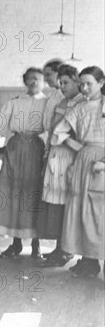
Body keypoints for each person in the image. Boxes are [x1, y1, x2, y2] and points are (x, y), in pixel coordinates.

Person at [51, 66, 105, 277]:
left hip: (102, 163)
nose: (83, 88)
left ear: (101, 83)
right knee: (83, 212)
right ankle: (89, 261)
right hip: (84, 161)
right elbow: (58, 134)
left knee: (99, 213)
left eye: (89, 83)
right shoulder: (80, 107)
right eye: (81, 83)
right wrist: (80, 149)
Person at [0, 68, 47, 259]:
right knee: (13, 193)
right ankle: (15, 243)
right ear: (25, 81)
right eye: (31, 79)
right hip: (16, 148)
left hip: (36, 147)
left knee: (34, 193)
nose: (34, 82)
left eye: (38, 79)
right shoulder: (15, 101)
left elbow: (51, 126)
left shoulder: (48, 103)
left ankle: (36, 245)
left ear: (44, 82)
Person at [38, 64, 84, 267]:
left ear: (77, 81)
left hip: (70, 157)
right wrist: (46, 153)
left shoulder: (82, 104)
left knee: (67, 205)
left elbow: (78, 135)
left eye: (65, 82)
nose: (62, 86)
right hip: (55, 156)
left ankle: (67, 250)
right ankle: (59, 247)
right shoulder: (61, 101)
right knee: (56, 205)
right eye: (60, 83)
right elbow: (52, 130)